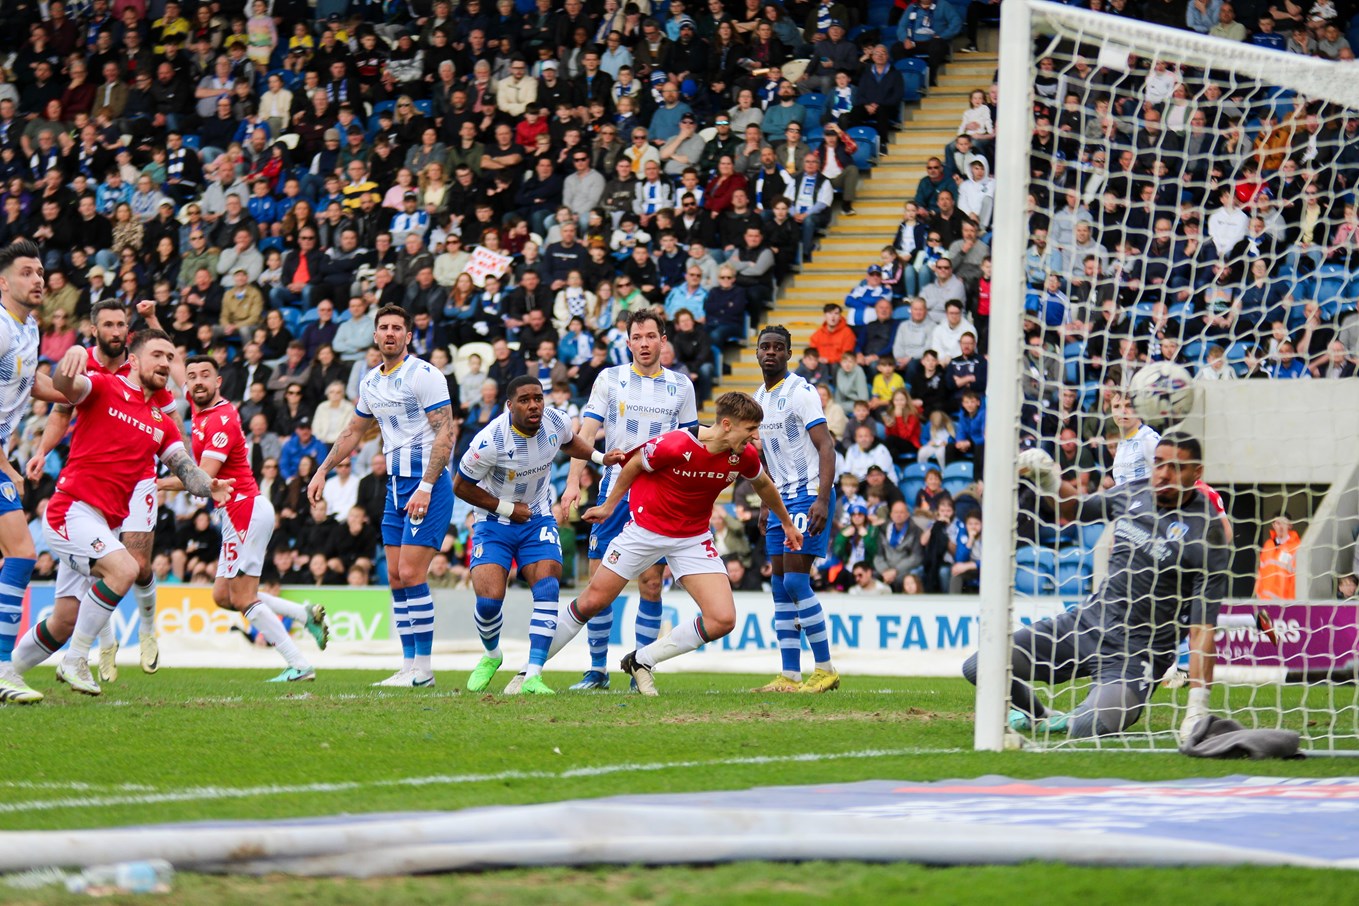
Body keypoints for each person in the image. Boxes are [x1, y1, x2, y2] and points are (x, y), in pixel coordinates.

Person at [965, 432, 1228, 739]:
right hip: (1087, 624)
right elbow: (1075, 508)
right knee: (978, 665)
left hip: (1137, 654)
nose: (1163, 474)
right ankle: (1038, 716)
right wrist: (1049, 479)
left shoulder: (1207, 533)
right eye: (1158, 463)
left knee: (1085, 728)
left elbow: (1202, 630)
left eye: (1175, 467)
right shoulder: (1133, 493)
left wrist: (1198, 706)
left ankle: (1082, 714)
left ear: (1197, 473)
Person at [13, 330, 232, 695]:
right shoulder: (103, 387)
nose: (164, 363)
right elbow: (67, 385)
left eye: (169, 357)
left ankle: (9, 672)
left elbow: (186, 471)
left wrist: (211, 486)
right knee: (127, 568)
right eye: (157, 355)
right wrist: (75, 355)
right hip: (70, 511)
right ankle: (76, 661)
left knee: (65, 620)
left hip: (97, 525)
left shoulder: (160, 423)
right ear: (133, 360)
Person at [539, 392, 803, 694]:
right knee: (592, 602)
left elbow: (764, 484)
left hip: (692, 538)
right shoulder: (677, 443)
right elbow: (635, 463)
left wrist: (786, 523)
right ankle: (529, 670)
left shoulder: (743, 456)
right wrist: (610, 505)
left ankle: (643, 660)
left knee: (723, 619)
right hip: (645, 530)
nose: (756, 437)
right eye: (751, 429)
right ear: (727, 425)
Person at [25, 298, 174, 683]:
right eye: (108, 325)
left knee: (133, 566)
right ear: (95, 330)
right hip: (88, 482)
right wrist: (42, 451)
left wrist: (188, 472)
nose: (116, 331)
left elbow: (163, 364)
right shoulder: (84, 365)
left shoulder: (141, 366)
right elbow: (61, 408)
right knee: (87, 593)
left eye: (121, 325)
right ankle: (94, 646)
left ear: (128, 330)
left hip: (137, 478)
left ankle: (145, 631)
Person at [308, 306, 456, 689]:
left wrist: (426, 485)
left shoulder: (425, 375)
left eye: (397, 328)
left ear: (408, 336)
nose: (390, 333)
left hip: (427, 483)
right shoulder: (371, 381)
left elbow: (445, 433)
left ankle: (423, 668)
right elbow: (353, 431)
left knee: (411, 573)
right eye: (384, 328)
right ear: (375, 336)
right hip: (394, 485)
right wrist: (323, 469)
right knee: (394, 576)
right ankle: (408, 666)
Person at [160, 356, 329, 681]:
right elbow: (177, 364)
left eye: (205, 376)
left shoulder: (221, 418)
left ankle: (298, 663)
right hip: (235, 515)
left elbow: (203, 479)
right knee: (223, 596)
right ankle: (302, 613)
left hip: (244, 512)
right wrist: (154, 321)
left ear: (219, 382)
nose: (195, 381)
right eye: (192, 376)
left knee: (243, 597)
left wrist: (155, 482)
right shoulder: (199, 404)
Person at [454, 376, 626, 695]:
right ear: (509, 406)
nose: (533, 405)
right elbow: (460, 486)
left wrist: (602, 458)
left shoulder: (554, 420)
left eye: (538, 397)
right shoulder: (489, 441)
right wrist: (506, 508)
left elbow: (571, 441)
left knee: (547, 587)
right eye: (524, 399)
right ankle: (492, 655)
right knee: (489, 602)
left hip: (538, 518)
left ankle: (533, 674)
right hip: (494, 522)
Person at [559, 310, 698, 690]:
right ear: (628, 342)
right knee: (599, 583)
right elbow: (584, 434)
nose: (644, 343)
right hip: (613, 489)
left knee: (651, 583)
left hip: (659, 493)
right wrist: (574, 483)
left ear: (663, 340)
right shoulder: (610, 378)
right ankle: (597, 670)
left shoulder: (681, 386)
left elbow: (689, 444)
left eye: (651, 336)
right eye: (637, 337)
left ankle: (641, 668)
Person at [751, 325, 840, 693]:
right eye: (764, 347)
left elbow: (826, 445)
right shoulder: (760, 396)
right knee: (778, 587)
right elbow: (768, 456)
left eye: (778, 348)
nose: (770, 352)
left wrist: (822, 496)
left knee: (795, 581)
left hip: (807, 495)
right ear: (757, 353)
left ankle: (826, 669)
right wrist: (765, 501)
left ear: (788, 354)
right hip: (780, 500)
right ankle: (789, 675)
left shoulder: (801, 392)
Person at [0, 242, 59, 702]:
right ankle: (3, 669)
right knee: (21, 551)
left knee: (19, 553)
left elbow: (29, 380)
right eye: (26, 272)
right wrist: (6, 466)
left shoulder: (30, 328)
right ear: (4, 282)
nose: (37, 279)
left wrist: (78, 394)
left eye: (40, 272)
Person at [1109, 390, 1160, 487]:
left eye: (1129, 406)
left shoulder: (1149, 439)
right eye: (1116, 406)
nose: (1122, 411)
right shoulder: (1122, 443)